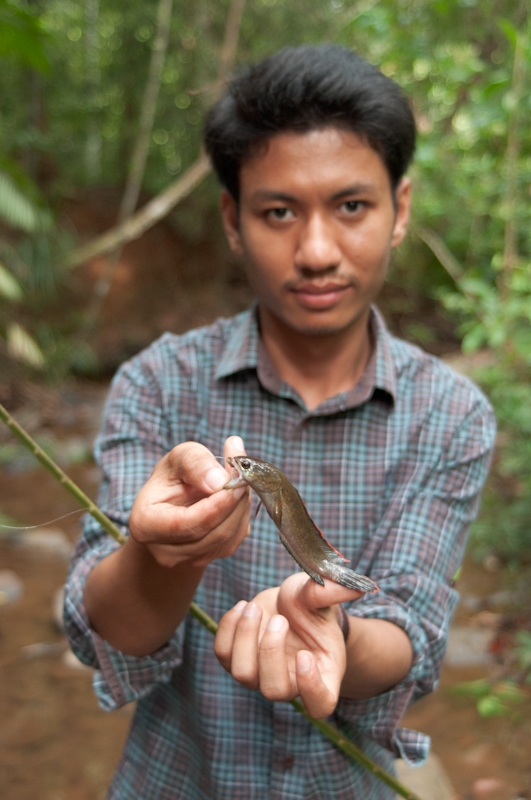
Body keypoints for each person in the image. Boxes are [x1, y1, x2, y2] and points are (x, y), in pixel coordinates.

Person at [64, 44, 496, 799]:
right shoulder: (157, 383)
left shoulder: (451, 415)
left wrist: (335, 637)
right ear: (232, 219)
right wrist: (160, 555)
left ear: (400, 210)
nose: (317, 251)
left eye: (351, 206)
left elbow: (409, 624)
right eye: (278, 212)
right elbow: (114, 630)